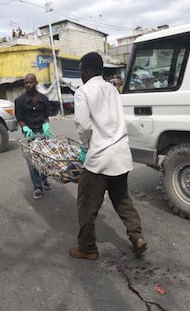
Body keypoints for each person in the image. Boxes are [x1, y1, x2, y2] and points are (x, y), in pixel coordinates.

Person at [69, 52, 147, 260]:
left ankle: (87, 248)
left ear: (86, 70)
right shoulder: (112, 89)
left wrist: (85, 147)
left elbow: (83, 125)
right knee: (122, 199)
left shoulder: (83, 92)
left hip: (99, 158)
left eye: (80, 71)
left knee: (86, 204)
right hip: (120, 155)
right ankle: (137, 237)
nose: (81, 75)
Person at [15, 73, 52, 200]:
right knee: (32, 162)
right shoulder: (19, 101)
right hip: (29, 133)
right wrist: (25, 128)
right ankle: (37, 187)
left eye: (31, 82)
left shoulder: (44, 99)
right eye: (26, 83)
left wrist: (46, 126)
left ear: (36, 82)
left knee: (44, 159)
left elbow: (46, 116)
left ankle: (44, 179)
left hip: (42, 132)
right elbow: (19, 119)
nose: (28, 85)